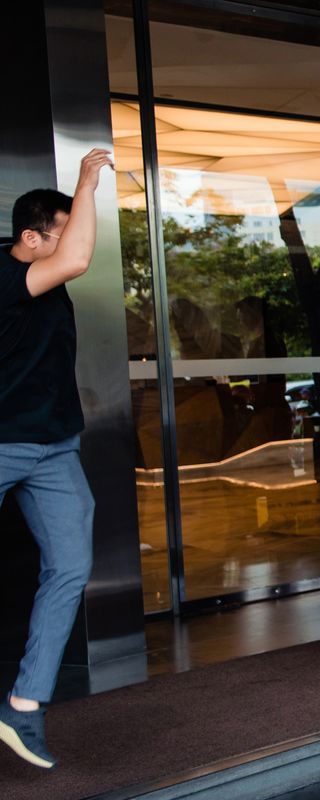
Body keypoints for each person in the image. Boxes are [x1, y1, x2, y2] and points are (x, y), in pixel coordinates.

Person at [0, 148, 112, 770]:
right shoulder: (5, 275)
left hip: (54, 450)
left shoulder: (49, 276)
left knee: (70, 566)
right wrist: (87, 181)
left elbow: (72, 256)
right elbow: (75, 257)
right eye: (62, 233)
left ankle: (23, 706)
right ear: (30, 239)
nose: (75, 245)